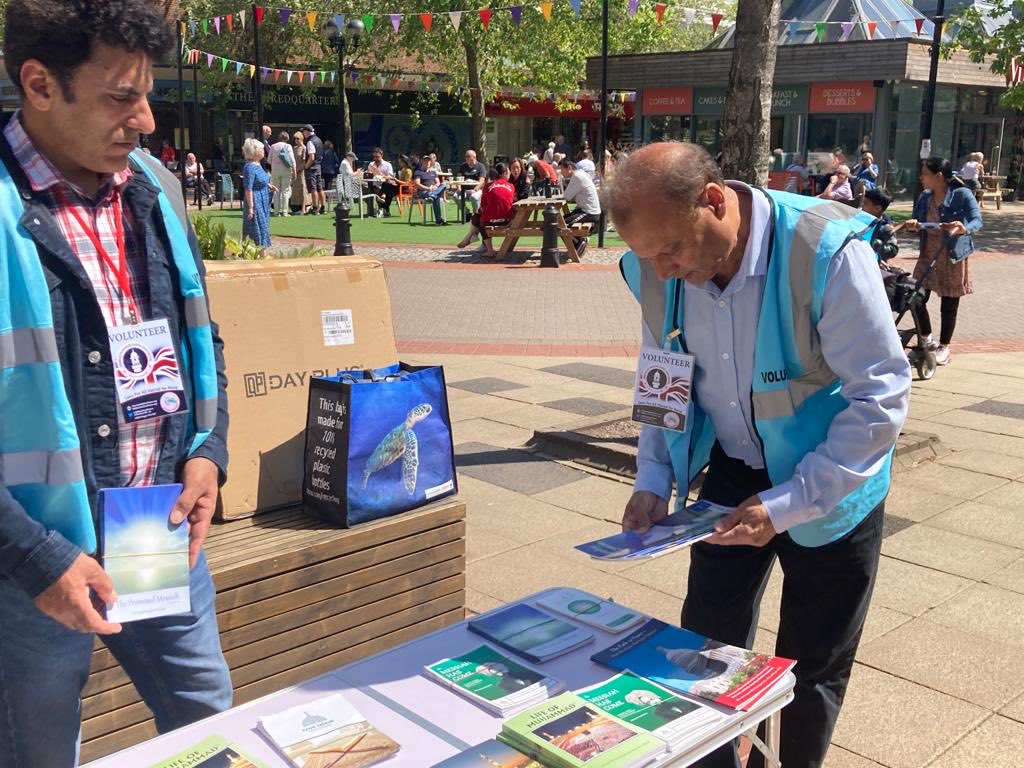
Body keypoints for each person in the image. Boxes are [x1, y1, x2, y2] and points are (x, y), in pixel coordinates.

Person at [604, 142, 911, 768]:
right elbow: (661, 372)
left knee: (812, 666)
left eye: (670, 250)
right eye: (645, 256)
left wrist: (791, 502)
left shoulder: (822, 250)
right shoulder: (659, 269)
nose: (661, 271)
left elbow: (879, 397)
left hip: (830, 481)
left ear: (713, 201)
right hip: (735, 467)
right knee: (704, 646)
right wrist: (653, 476)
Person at [0, 2, 233, 766]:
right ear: (39, 83)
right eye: (119, 95)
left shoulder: (154, 189)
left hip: (156, 530)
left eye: (147, 91)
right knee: (39, 752)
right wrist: (38, 561)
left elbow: (201, 336)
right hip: (31, 559)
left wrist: (207, 452)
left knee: (210, 729)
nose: (146, 119)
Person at [904, 157, 983, 366]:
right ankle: (927, 339)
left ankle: (944, 347)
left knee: (948, 305)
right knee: (915, 296)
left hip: (951, 256)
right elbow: (918, 222)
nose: (921, 178)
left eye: (925, 174)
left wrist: (964, 228)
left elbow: (977, 219)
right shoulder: (925, 197)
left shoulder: (962, 194)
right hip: (928, 254)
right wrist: (913, 225)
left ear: (939, 176)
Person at [456, 163, 515, 258]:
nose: (510, 174)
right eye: (508, 172)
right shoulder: (511, 186)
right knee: (480, 217)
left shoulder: (487, 186)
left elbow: (483, 205)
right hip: (507, 220)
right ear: (504, 173)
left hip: (489, 222)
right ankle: (470, 238)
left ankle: (480, 244)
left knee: (479, 218)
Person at [558, 158, 601, 258]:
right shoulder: (580, 173)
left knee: (560, 225)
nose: (561, 173)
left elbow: (567, 196)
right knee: (561, 221)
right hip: (587, 210)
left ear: (569, 168)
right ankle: (578, 242)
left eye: (562, 170)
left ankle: (579, 243)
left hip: (590, 213)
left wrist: (563, 183)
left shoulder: (577, 176)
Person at [242, 138, 273, 249]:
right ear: (254, 151)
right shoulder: (249, 167)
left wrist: (269, 185)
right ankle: (257, 252)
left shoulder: (258, 164)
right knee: (257, 226)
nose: (263, 151)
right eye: (261, 149)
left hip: (263, 198)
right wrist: (251, 207)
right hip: (255, 200)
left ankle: (260, 252)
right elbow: (248, 188)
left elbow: (260, 179)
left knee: (263, 226)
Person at [862, 187, 901, 261]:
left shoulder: (886, 227)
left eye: (865, 203)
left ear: (877, 209)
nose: (862, 205)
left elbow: (893, 250)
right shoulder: (859, 219)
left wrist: (875, 244)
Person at [413, 155, 448, 225]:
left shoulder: (433, 172)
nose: (427, 162)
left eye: (429, 161)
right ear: (422, 161)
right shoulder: (418, 172)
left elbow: (438, 182)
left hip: (433, 191)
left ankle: (433, 196)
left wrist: (435, 186)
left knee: (444, 184)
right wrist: (429, 189)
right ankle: (439, 220)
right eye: (426, 161)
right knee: (436, 197)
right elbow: (417, 184)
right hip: (423, 192)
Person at [269, 130, 296, 216]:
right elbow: (292, 160)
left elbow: (269, 160)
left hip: (275, 170)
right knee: (285, 190)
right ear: (287, 138)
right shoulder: (288, 146)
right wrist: (294, 171)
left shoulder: (273, 146)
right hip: (286, 170)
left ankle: (276, 212)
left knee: (276, 191)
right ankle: (285, 212)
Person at [301, 124, 325, 215]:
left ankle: (315, 208)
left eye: (303, 132)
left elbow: (311, 156)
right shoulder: (318, 140)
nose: (303, 133)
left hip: (312, 167)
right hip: (319, 166)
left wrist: (306, 166)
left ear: (307, 132)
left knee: (313, 188)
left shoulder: (310, 142)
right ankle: (323, 207)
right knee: (320, 187)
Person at [367, 147, 398, 216]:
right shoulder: (371, 164)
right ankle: (379, 209)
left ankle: (382, 209)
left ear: (382, 155)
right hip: (374, 184)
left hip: (386, 185)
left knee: (384, 187)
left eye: (377, 157)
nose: (375, 158)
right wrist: (368, 173)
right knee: (366, 188)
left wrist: (379, 173)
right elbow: (368, 175)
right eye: (374, 157)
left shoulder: (387, 165)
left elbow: (390, 177)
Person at [458, 148, 487, 214]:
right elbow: (459, 178)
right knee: (456, 197)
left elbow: (481, 181)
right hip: (464, 190)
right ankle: (467, 213)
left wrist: (475, 190)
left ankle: (476, 214)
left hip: (477, 190)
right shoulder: (462, 166)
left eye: (468, 156)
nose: (466, 158)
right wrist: (459, 188)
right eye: (465, 156)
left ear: (474, 157)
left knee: (473, 197)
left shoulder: (481, 166)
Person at [291, 130, 310, 214]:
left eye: (298, 138)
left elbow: (304, 162)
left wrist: (298, 170)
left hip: (301, 172)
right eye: (295, 138)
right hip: (294, 171)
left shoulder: (304, 148)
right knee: (295, 190)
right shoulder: (294, 148)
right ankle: (296, 207)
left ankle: (304, 208)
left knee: (302, 189)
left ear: (301, 138)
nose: (296, 140)